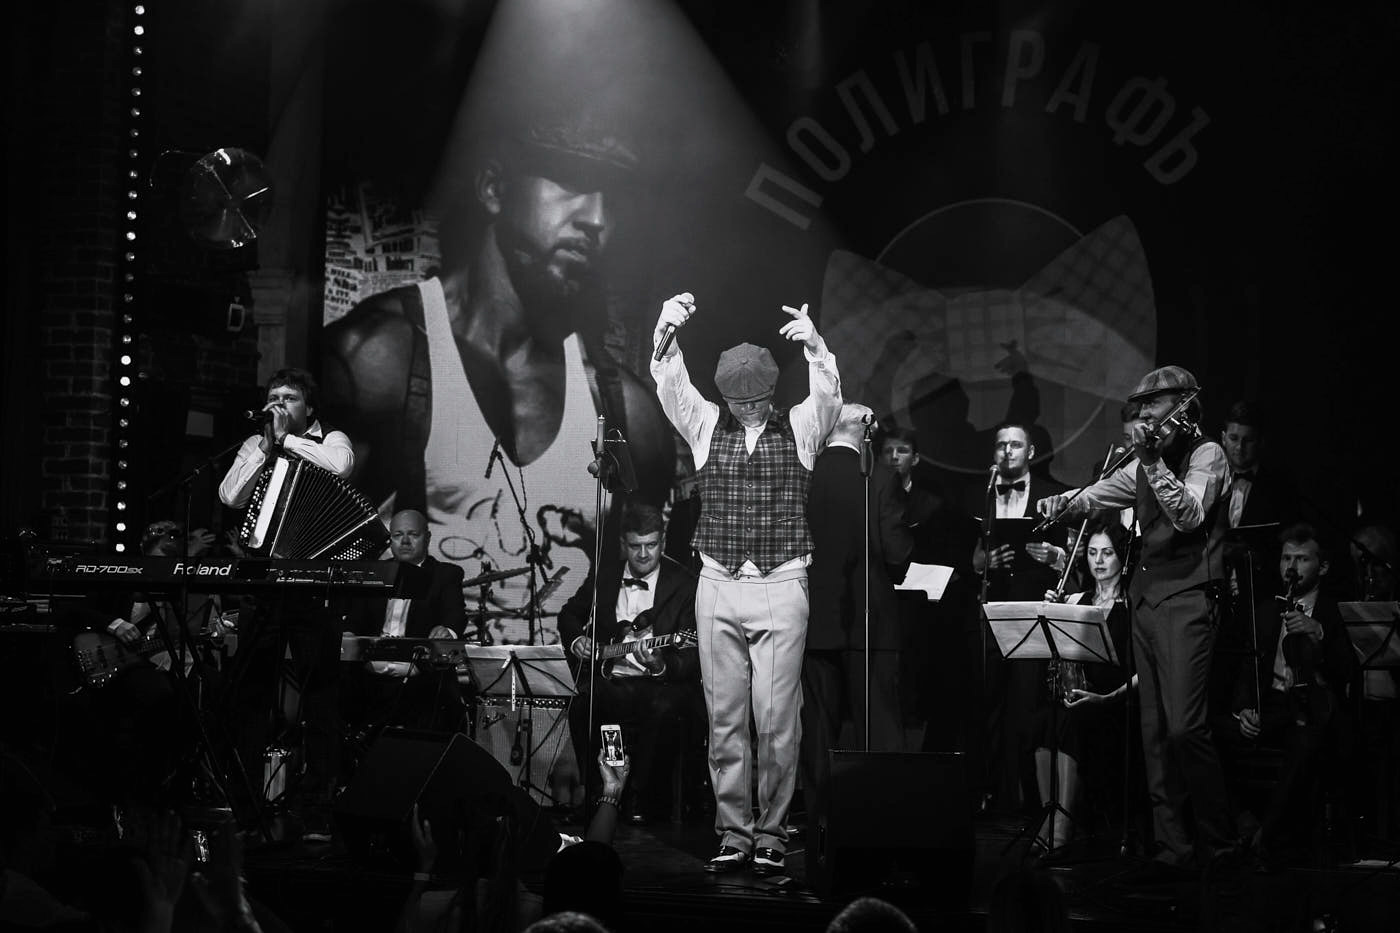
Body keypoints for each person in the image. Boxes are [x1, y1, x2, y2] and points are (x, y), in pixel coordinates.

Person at [321, 111, 674, 645]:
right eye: (572, 181)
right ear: (494, 189)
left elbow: (649, 572)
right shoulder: (382, 360)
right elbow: (317, 558)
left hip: (562, 688)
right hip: (430, 685)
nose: (597, 217)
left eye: (614, 199)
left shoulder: (627, 411)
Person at [650, 291, 841, 877]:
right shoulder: (707, 424)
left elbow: (828, 397)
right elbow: (672, 387)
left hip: (781, 583)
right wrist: (666, 331)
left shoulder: (800, 426)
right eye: (740, 402)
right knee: (725, 719)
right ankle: (734, 832)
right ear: (727, 398)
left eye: (757, 401)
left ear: (771, 393)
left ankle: (773, 833)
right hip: (717, 584)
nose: (750, 410)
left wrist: (816, 348)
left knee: (778, 720)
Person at [1036, 365, 1236, 869]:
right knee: (1153, 735)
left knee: (1184, 729)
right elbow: (1100, 494)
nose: (1144, 414)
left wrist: (1151, 461)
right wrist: (1064, 504)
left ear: (1183, 406)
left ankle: (1221, 843)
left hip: (1189, 599)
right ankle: (1172, 850)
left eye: (1152, 404)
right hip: (1146, 601)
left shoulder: (1207, 454)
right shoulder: (1146, 462)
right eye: (1141, 406)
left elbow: (1189, 514)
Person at [218, 368, 353, 838]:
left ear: (309, 407)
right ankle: (247, 810)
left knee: (320, 700)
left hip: (313, 586)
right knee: (251, 699)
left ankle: (317, 808)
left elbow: (339, 468)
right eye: (273, 396)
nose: (277, 405)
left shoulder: (331, 439)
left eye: (289, 398)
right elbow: (230, 496)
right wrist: (266, 445)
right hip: (264, 586)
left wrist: (287, 441)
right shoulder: (257, 444)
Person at [801, 403, 913, 827]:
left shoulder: (804, 476)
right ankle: (880, 821)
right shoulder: (880, 478)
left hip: (814, 620)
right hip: (871, 621)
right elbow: (896, 553)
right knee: (878, 728)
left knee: (817, 730)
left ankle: (821, 823)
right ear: (866, 430)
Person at [1218, 523, 1355, 865]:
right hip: (1274, 705)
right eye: (1286, 558)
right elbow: (1248, 669)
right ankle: (1243, 822)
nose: (1291, 567)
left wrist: (1319, 634)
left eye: (1302, 559)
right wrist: (1245, 708)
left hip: (1314, 710)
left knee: (1306, 742)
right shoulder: (1267, 611)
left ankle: (1266, 835)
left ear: (1322, 566)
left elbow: (1348, 672)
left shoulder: (1335, 613)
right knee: (1205, 734)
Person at [556, 502, 700, 823]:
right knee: (587, 701)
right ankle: (604, 791)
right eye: (636, 546)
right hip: (613, 680)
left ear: (663, 541)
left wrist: (661, 665)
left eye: (652, 545)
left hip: (660, 683)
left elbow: (692, 656)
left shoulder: (685, 583)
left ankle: (641, 797)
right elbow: (569, 614)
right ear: (624, 544)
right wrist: (577, 639)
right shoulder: (605, 577)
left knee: (662, 708)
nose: (644, 554)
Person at [971, 423, 1070, 812]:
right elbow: (967, 553)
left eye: (1015, 445)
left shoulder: (1053, 493)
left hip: (1032, 610)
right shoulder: (980, 494)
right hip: (991, 611)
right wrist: (981, 562)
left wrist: (1055, 556)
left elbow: (1073, 553)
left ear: (1030, 452)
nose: (1007, 451)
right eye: (1001, 445)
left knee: (1026, 705)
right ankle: (989, 793)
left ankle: (1025, 798)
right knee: (987, 702)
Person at [1035, 519, 1132, 850]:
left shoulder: (1132, 604)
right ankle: (1049, 816)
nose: (1098, 561)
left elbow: (1145, 670)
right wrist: (1052, 611)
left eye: (1107, 552)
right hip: (1078, 695)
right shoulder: (1077, 599)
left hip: (1114, 701)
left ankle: (1064, 823)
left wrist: (1107, 698)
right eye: (1091, 553)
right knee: (1042, 720)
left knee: (1072, 721)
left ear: (1122, 556)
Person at [341, 509, 470, 742]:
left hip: (420, 682)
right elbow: (354, 620)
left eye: (413, 534)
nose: (405, 541)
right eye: (398, 535)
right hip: (369, 681)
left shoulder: (445, 574)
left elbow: (456, 615)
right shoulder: (374, 572)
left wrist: (447, 630)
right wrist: (348, 637)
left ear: (427, 538)